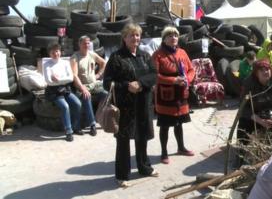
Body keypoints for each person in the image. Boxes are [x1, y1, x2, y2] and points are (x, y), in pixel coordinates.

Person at [103, 23, 158, 185]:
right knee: (123, 141)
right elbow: (107, 83)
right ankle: (122, 175)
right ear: (124, 38)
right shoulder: (116, 57)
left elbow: (154, 74)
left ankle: (144, 167)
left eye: (137, 35)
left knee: (142, 137)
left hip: (143, 104)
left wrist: (140, 83)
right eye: (131, 35)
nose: (135, 38)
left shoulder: (145, 55)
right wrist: (127, 86)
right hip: (125, 107)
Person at [152, 26, 195, 165]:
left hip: (181, 93)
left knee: (179, 123)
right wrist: (173, 80)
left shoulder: (182, 52)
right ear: (164, 39)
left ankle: (181, 147)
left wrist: (187, 79)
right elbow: (154, 75)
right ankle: (164, 152)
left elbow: (191, 70)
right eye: (170, 35)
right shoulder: (158, 54)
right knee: (165, 125)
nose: (173, 38)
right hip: (166, 95)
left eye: (175, 35)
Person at [237, 59, 272, 147]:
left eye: (267, 69)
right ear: (256, 73)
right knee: (243, 123)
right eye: (261, 70)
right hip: (256, 116)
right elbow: (242, 105)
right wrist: (258, 120)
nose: (265, 72)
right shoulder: (248, 83)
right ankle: (242, 151)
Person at [43, 44, 82, 142]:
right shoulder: (46, 64)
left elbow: (70, 78)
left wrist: (58, 78)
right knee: (65, 106)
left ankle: (76, 126)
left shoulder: (65, 63)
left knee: (78, 103)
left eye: (57, 51)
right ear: (49, 54)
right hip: (53, 91)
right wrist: (62, 79)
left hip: (65, 89)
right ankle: (68, 131)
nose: (56, 54)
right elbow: (49, 81)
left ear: (60, 52)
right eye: (53, 52)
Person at [71, 35, 107, 136]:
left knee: (107, 94)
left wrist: (99, 74)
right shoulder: (75, 57)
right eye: (84, 43)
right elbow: (74, 76)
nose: (86, 45)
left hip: (94, 84)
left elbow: (103, 63)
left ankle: (99, 117)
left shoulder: (92, 54)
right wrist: (83, 88)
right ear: (79, 44)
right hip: (81, 86)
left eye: (88, 43)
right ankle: (92, 125)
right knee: (87, 97)